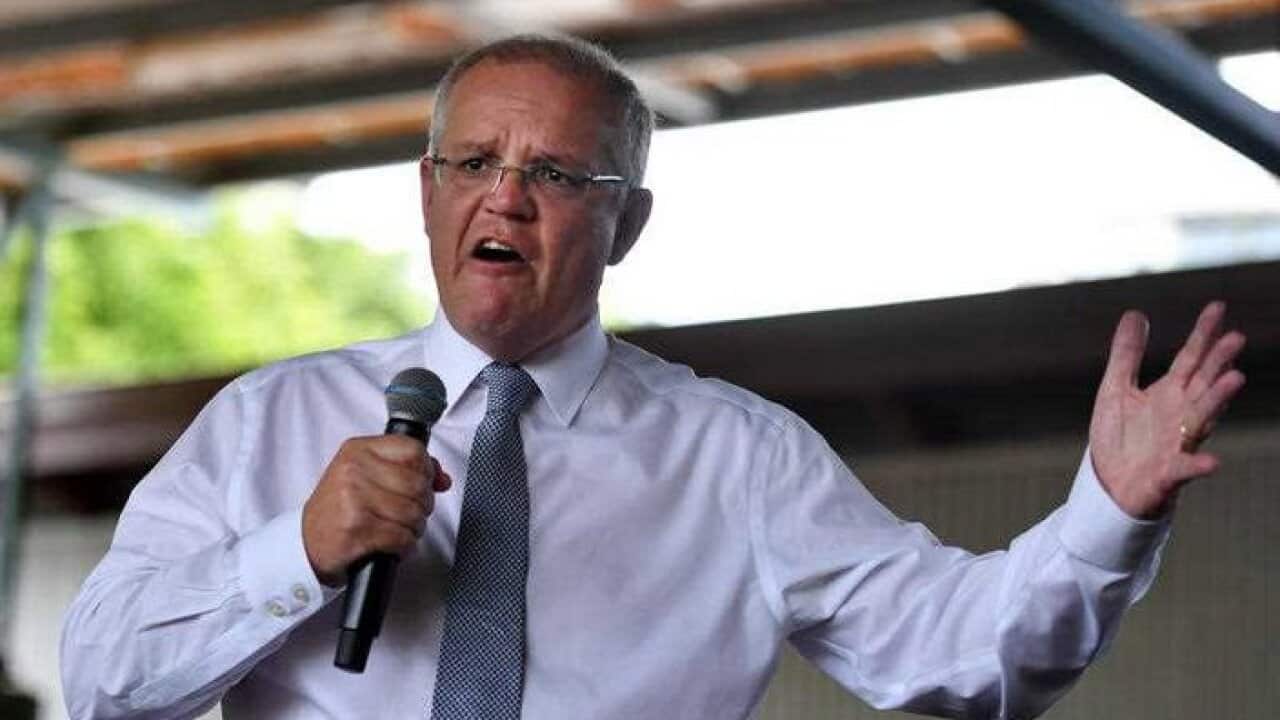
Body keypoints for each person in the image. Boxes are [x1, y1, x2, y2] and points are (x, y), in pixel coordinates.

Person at [61, 33, 1247, 719]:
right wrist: (298, 551)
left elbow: (963, 656)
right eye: (472, 160)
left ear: (625, 223)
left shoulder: (738, 457)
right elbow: (106, 678)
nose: (506, 196)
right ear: (427, 193)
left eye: (558, 175)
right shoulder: (268, 422)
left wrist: (1106, 513)